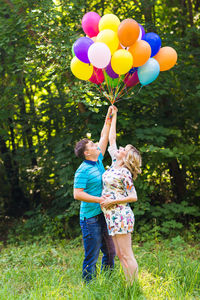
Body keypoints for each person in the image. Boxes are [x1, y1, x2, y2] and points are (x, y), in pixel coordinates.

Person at [73, 106, 116, 282]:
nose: (95, 145)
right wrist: (99, 199)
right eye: (91, 145)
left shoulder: (97, 159)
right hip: (89, 218)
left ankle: (108, 281)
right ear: (86, 152)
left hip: (103, 214)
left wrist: (109, 117)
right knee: (92, 254)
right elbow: (77, 194)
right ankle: (89, 286)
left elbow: (104, 137)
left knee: (111, 251)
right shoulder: (82, 170)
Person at [101, 106, 142, 284]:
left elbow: (133, 196)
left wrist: (114, 201)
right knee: (119, 254)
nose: (120, 147)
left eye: (123, 148)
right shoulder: (114, 164)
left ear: (126, 157)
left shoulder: (124, 172)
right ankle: (128, 284)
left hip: (121, 215)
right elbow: (111, 137)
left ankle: (133, 286)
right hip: (111, 216)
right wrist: (113, 115)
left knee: (126, 254)